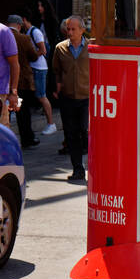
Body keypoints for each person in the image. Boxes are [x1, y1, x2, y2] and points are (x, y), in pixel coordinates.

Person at [53, 15, 90, 184]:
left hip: (86, 97)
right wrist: (58, 86)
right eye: (68, 29)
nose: (70, 32)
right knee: (71, 134)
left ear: (82, 30)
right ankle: (78, 169)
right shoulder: (60, 48)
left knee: (84, 130)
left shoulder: (91, 47)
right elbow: (57, 70)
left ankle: (93, 165)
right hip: (68, 97)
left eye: (74, 29)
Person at [6, 14, 40, 149]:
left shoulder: (0, 37)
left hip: (4, 80)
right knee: (24, 112)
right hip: (22, 80)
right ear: (19, 26)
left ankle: (5, 140)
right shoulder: (24, 38)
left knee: (4, 112)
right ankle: (27, 138)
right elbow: (33, 56)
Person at [22, 9, 56, 135]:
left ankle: (51, 123)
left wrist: (32, 57)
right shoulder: (29, 32)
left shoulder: (35, 32)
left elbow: (43, 50)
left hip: (39, 68)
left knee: (41, 96)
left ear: (24, 19)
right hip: (35, 67)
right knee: (35, 95)